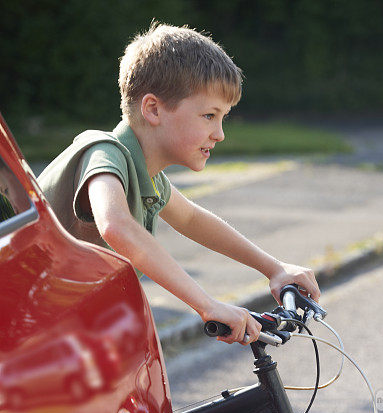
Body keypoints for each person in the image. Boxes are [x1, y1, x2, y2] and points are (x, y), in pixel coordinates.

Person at [39, 22, 319, 345]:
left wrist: (274, 268)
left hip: (66, 333)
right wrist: (206, 305)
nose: (220, 133)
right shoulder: (105, 154)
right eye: (209, 116)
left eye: (223, 118)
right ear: (154, 109)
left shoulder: (148, 175)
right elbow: (116, 225)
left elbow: (191, 219)